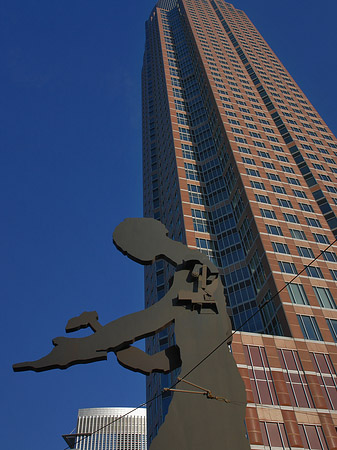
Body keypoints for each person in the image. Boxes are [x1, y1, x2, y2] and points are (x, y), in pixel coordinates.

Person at [13, 218, 249, 450]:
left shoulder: (195, 267)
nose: (130, 253)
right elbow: (148, 363)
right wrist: (99, 330)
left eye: (129, 246)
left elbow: (149, 320)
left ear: (147, 237)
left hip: (211, 393)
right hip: (204, 390)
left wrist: (85, 345)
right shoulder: (192, 340)